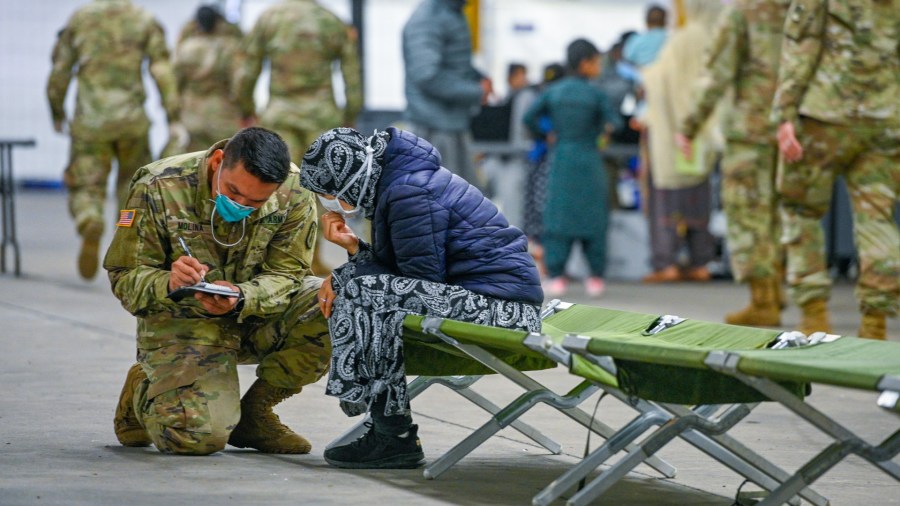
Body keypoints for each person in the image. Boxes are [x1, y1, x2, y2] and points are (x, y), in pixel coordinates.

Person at [299, 127, 543, 469]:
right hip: (483, 297)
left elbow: (418, 282)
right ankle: (388, 427)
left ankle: (392, 435)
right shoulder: (398, 183)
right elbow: (408, 276)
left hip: (504, 308)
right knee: (358, 288)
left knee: (361, 291)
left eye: (330, 192)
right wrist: (353, 250)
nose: (330, 202)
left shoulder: (409, 192)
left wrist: (346, 275)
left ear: (352, 174)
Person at [104, 127, 331, 455]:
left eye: (256, 202)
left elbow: (289, 273)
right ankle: (143, 387)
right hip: (184, 320)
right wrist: (169, 281)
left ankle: (256, 413)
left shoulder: (294, 190)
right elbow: (124, 277)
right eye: (233, 191)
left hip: (254, 312)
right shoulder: (159, 185)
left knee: (338, 302)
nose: (240, 205)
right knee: (194, 438)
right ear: (218, 162)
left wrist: (242, 297)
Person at [770, 0, 899, 340]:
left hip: (823, 115)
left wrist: (785, 114)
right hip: (884, 119)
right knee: (878, 218)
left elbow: (801, 45)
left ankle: (814, 315)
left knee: (800, 210)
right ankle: (875, 321)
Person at [46, 0, 182, 281]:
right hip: (132, 123)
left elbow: (60, 72)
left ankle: (89, 220)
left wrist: (57, 111)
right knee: (131, 189)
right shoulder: (143, 19)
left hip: (90, 123)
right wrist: (173, 115)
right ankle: (124, 234)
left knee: (87, 183)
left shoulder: (80, 19)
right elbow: (162, 70)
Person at [677, 0, 791, 326]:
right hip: (796, 130)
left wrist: (689, 126)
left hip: (752, 131)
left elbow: (717, 73)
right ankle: (782, 291)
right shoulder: (804, 9)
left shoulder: (744, 11)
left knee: (748, 214)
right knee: (782, 213)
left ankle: (763, 300)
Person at [234, 0, 363, 275]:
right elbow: (352, 75)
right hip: (323, 117)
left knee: (275, 188)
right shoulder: (331, 21)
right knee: (319, 193)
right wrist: (350, 115)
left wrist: (247, 110)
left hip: (280, 115)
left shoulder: (270, 19)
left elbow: (246, 71)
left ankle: (268, 260)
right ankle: (311, 259)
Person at [523, 39, 619, 298]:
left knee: (558, 218)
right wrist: (601, 134)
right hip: (590, 159)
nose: (598, 66)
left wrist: (548, 133)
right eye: (596, 61)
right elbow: (615, 123)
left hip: (562, 158)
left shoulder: (555, 92)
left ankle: (557, 275)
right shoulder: (596, 94)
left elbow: (528, 117)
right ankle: (596, 277)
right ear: (585, 63)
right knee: (594, 218)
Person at [639, 0, 725, 284]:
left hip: (672, 133)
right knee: (699, 198)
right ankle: (701, 262)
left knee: (667, 201)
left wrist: (645, 75)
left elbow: (662, 79)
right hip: (704, 133)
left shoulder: (683, 39)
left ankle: (668, 263)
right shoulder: (718, 35)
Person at [402, 0, 493, 191]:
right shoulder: (428, 18)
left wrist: (478, 80)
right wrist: (476, 91)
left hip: (452, 127)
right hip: (434, 132)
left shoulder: (450, 11)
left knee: (464, 205)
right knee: (440, 205)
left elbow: (453, 65)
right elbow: (426, 75)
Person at [163, 5, 243, 155]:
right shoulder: (231, 47)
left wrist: (172, 115)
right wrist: (246, 111)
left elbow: (173, 83)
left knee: (192, 165)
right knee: (223, 163)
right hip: (222, 115)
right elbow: (240, 83)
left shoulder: (186, 48)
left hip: (190, 114)